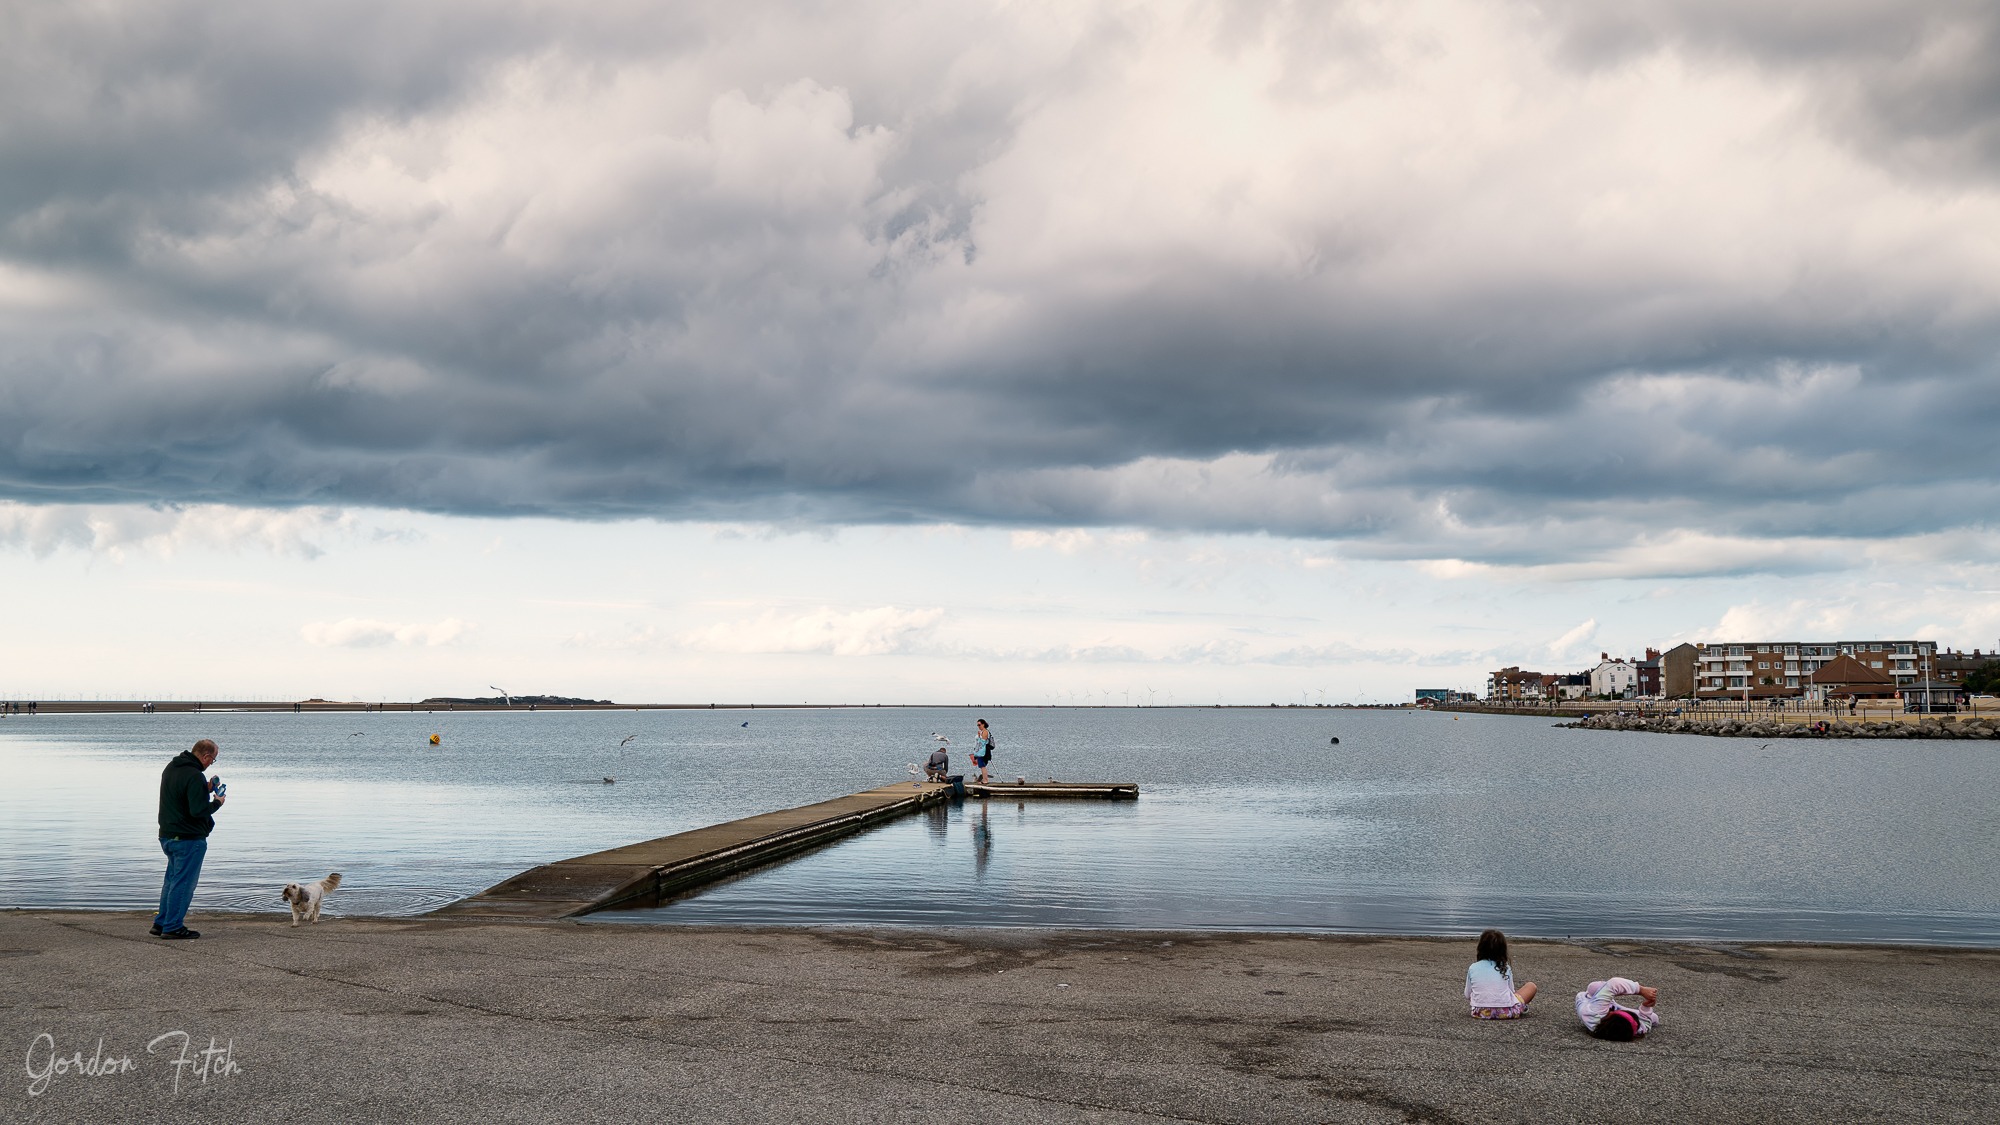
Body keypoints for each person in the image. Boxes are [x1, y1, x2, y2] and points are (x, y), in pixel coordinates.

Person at [153, 738, 226, 940]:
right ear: (205, 756)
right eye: (213, 759)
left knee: (171, 881)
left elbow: (181, 795)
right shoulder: (194, 775)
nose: (212, 763)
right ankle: (173, 927)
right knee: (184, 884)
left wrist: (205, 788)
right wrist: (217, 802)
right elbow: (198, 811)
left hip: (167, 835)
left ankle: (161, 923)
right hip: (188, 838)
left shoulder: (172, 767)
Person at [1464, 929, 1538, 1019]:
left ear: (1480, 948)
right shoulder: (1505, 967)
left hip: (1479, 1012)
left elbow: (1467, 994)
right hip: (1507, 1012)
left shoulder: (1473, 967)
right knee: (1531, 986)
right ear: (1503, 950)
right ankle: (1521, 1008)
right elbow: (1511, 991)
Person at [1575, 977, 1661, 1040]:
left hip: (1589, 999)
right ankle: (1610, 998)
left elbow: (1614, 983)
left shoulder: (1594, 1012)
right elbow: (1645, 1023)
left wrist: (1641, 990)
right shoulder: (1634, 1030)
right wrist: (1646, 1007)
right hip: (1609, 1013)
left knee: (1594, 987)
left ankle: (1605, 997)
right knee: (1654, 1018)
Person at [970, 719, 995, 784]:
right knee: (981, 765)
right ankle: (984, 779)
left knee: (982, 765)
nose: (978, 726)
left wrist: (979, 737)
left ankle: (985, 780)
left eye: (979, 725)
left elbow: (983, 742)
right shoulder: (982, 731)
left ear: (983, 724)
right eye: (977, 725)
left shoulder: (985, 731)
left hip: (983, 751)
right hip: (980, 751)